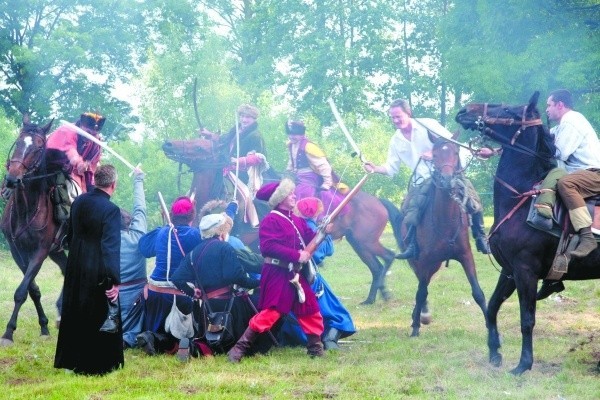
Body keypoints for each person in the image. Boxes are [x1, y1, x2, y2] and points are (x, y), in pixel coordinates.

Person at [363, 98, 490, 259]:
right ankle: (412, 247)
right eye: (393, 118)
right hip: (421, 181)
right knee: (410, 209)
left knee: (472, 199)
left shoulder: (428, 124)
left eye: (398, 116)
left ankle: (480, 237)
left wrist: (434, 153)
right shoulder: (395, 140)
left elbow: (451, 142)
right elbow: (391, 168)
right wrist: (374, 168)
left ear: (408, 113)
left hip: (445, 173)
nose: (395, 121)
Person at [227, 178, 326, 362]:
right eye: (289, 193)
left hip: (295, 274)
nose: (294, 195)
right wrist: (297, 256)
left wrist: (325, 230)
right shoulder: (270, 220)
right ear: (279, 198)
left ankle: (315, 348)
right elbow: (268, 248)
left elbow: (311, 238)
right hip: (277, 273)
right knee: (271, 313)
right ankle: (238, 350)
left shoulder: (296, 219)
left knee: (309, 309)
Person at [171, 213, 273, 356]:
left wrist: (192, 292)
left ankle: (197, 348)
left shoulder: (193, 253)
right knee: (266, 307)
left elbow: (176, 278)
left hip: (208, 308)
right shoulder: (225, 248)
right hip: (231, 306)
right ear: (221, 231)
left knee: (215, 343)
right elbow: (236, 276)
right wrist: (258, 283)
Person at [54, 164, 122, 375]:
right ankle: (94, 364)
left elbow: (71, 234)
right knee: (97, 313)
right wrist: (114, 280)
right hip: (98, 268)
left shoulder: (79, 201)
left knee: (74, 310)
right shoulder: (111, 210)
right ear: (113, 184)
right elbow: (110, 247)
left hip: (76, 264)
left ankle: (71, 360)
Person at [532, 89, 600, 300]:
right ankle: (553, 276)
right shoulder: (561, 126)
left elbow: (559, 153)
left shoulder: (571, 121)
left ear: (560, 105)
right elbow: (542, 141)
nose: (547, 109)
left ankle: (587, 238)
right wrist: (497, 151)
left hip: (593, 174)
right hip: (582, 175)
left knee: (565, 184)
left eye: (549, 105)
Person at [278, 197, 356, 350]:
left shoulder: (293, 224)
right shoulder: (310, 228)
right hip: (308, 277)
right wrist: (325, 234)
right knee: (336, 312)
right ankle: (329, 339)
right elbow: (323, 252)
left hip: (289, 274)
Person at [136, 196, 201, 355]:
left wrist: (165, 228)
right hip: (180, 294)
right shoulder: (195, 235)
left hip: (154, 292)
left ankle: (153, 337)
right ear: (192, 215)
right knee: (187, 334)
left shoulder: (161, 232)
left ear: (171, 215)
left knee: (164, 335)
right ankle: (178, 343)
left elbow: (144, 248)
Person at [200, 104, 269, 226]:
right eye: (242, 116)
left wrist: (239, 161)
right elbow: (223, 139)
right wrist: (209, 134)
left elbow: (258, 157)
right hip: (226, 170)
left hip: (243, 174)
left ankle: (242, 224)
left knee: (243, 196)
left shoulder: (256, 135)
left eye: (248, 117)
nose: (244, 120)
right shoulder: (236, 129)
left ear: (254, 119)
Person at [285, 120, 348, 216]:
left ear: (302, 135)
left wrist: (327, 183)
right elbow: (292, 161)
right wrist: (288, 172)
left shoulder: (309, 147)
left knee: (302, 192)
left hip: (309, 177)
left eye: (295, 134)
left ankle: (306, 218)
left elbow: (324, 166)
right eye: (290, 134)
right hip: (296, 175)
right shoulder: (290, 145)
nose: (292, 136)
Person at [118, 168, 147, 349]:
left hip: (114, 294)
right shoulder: (138, 235)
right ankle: (129, 338)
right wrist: (138, 180)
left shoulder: (105, 241)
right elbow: (140, 207)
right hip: (136, 292)